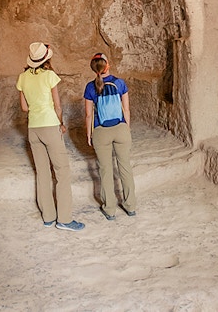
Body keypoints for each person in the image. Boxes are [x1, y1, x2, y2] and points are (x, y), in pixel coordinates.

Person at [16, 42, 85, 231]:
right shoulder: (49, 76)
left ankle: (48, 217)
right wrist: (61, 124)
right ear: (46, 59)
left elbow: (24, 108)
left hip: (33, 128)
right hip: (50, 125)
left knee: (43, 173)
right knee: (62, 172)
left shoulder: (22, 77)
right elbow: (58, 106)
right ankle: (64, 219)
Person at [84, 53, 136, 220]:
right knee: (125, 167)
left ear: (94, 69)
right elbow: (126, 110)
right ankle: (130, 206)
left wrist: (89, 133)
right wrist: (126, 128)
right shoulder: (120, 83)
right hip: (120, 128)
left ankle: (110, 210)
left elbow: (88, 115)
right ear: (108, 66)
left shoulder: (90, 87)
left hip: (101, 131)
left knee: (106, 171)